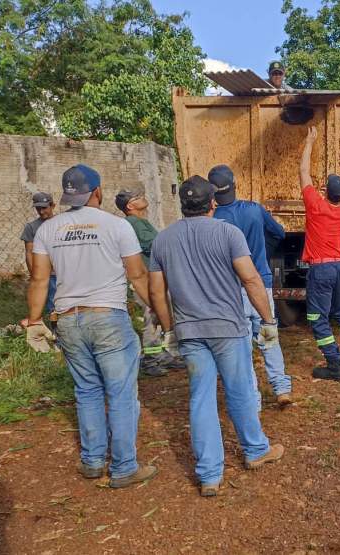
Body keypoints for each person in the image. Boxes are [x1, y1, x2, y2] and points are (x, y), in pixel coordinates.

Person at [148, 175, 285, 497]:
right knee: (239, 391)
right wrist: (268, 320)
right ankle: (255, 450)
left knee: (201, 397)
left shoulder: (163, 240)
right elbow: (251, 279)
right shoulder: (228, 233)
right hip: (227, 328)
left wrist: (169, 329)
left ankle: (209, 474)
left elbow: (156, 291)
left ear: (183, 204)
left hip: (189, 331)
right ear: (212, 203)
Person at [24, 164, 157, 488]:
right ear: (97, 191)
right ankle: (124, 467)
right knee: (121, 392)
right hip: (108, 317)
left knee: (86, 391)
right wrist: (157, 308)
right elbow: (137, 274)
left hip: (68, 319)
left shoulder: (47, 230)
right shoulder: (117, 226)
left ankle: (93, 461)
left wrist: (34, 320)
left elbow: (39, 279)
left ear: (66, 195)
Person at [208, 164, 293, 406]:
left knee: (242, 348)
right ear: (235, 185)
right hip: (260, 285)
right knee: (268, 335)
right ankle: (281, 388)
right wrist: (263, 252)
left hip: (230, 290)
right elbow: (279, 233)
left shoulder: (213, 219)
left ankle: (253, 400)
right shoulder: (254, 209)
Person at [299, 126, 340, 381]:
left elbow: (303, 172)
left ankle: (334, 364)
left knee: (317, 318)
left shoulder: (316, 206)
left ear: (325, 191)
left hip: (321, 269)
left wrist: (310, 142)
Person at [115, 190, 185, 377]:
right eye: (137, 197)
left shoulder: (139, 222)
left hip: (151, 278)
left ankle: (163, 354)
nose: (142, 197)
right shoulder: (133, 223)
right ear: (130, 206)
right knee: (151, 316)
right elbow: (154, 244)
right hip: (144, 280)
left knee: (157, 316)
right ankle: (150, 359)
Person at [21, 192, 57, 314]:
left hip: (62, 271)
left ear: (53, 206)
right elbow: (29, 253)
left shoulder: (62, 224)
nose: (41, 212)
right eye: (38, 208)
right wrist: (34, 275)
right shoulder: (31, 227)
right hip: (45, 273)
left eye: (44, 208)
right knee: (51, 305)